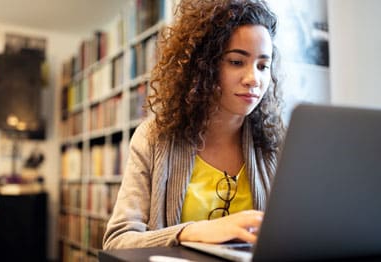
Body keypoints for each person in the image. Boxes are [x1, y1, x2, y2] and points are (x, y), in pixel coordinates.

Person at [103, 0, 284, 249]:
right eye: (236, 62)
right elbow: (117, 241)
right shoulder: (154, 137)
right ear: (203, 65)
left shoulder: (276, 144)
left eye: (263, 66)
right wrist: (193, 232)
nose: (254, 79)